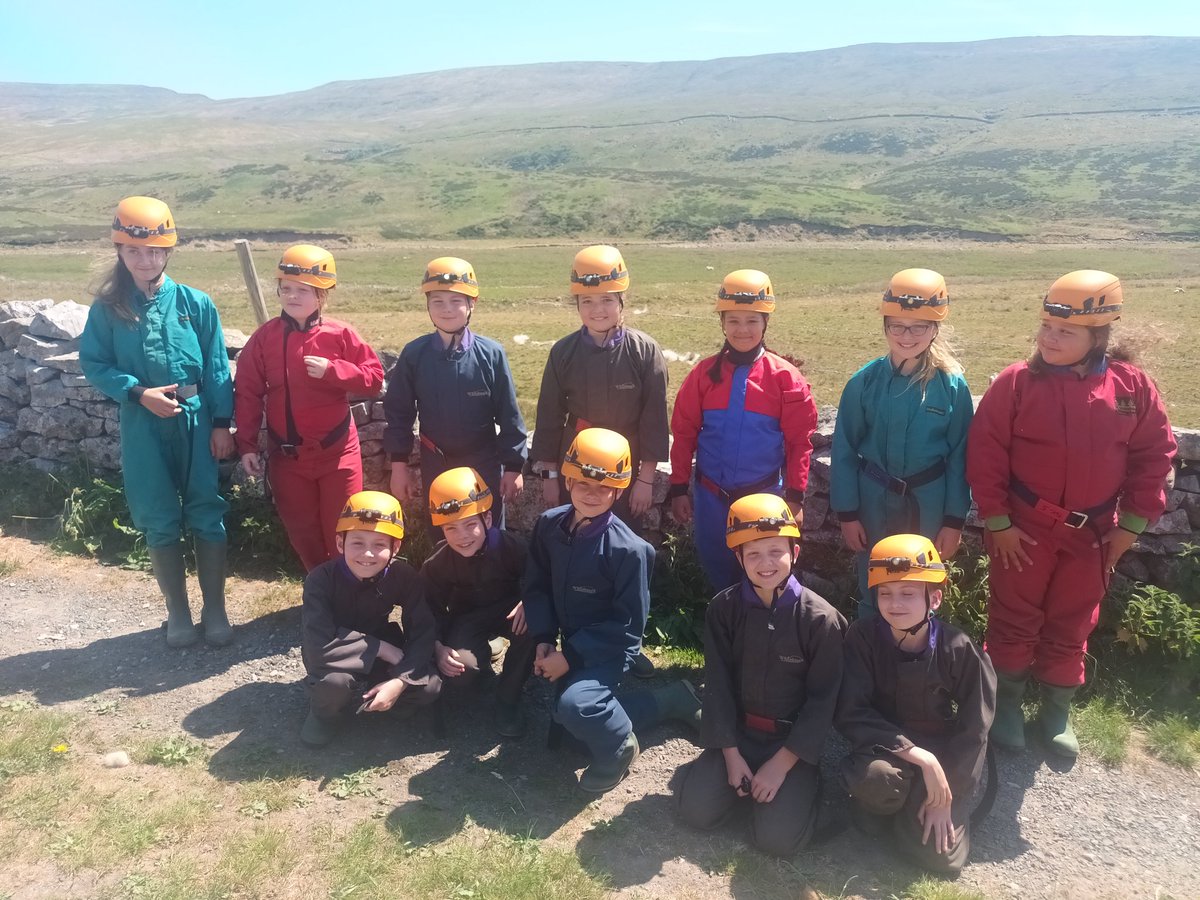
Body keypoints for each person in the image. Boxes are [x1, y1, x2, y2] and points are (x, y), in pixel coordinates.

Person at [966, 270, 1175, 757]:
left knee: (1074, 618)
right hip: (1024, 529)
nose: (1050, 338)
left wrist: (1132, 526)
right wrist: (999, 523)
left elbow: (1154, 455)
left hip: (1096, 533)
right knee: (1014, 616)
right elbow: (986, 453)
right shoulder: (1016, 383)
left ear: (1097, 336)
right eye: (1045, 327)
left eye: (1066, 331)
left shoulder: (1131, 389)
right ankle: (1008, 705)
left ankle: (1057, 711)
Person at [80, 196, 234, 648]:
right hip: (142, 420)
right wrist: (137, 392)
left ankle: (216, 610)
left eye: (153, 251)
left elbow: (217, 367)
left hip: (196, 419)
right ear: (120, 253)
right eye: (132, 251)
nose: (144, 260)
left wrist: (222, 423)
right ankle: (179, 614)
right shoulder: (107, 308)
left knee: (207, 510)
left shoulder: (196, 303)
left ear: (168, 251)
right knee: (158, 516)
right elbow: (94, 363)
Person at [523, 428, 701, 793]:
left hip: (608, 649)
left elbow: (628, 626)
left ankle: (620, 748)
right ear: (569, 479)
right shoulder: (548, 526)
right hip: (569, 642)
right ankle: (670, 700)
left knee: (576, 709)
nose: (592, 494)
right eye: (584, 484)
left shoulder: (631, 551)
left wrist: (569, 656)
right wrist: (543, 637)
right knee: (574, 723)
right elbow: (536, 584)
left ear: (618, 490)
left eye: (604, 487)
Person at [676, 494, 845, 858]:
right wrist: (732, 755)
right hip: (738, 735)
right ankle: (736, 779)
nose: (765, 563)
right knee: (695, 812)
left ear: (794, 553)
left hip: (789, 743)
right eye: (752, 554)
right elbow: (718, 686)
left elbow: (823, 701)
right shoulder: (723, 609)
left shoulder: (821, 620)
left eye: (775, 551)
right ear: (737, 558)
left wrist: (781, 766)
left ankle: (799, 788)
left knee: (776, 841)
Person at [532, 244, 669, 677]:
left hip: (625, 474)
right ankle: (572, 639)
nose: (597, 309)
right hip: (579, 465)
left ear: (623, 301)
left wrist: (645, 480)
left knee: (627, 556)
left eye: (607, 299)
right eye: (587, 301)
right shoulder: (564, 352)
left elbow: (653, 420)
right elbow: (549, 417)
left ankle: (629, 641)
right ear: (576, 304)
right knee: (578, 552)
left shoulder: (645, 352)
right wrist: (552, 474)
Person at [836, 534, 996, 875]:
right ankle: (887, 807)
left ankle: (912, 810)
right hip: (885, 746)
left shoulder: (960, 649)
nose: (895, 604)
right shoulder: (862, 638)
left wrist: (948, 792)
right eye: (885, 593)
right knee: (875, 783)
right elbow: (851, 712)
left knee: (941, 859)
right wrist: (919, 756)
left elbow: (975, 729)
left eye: (908, 593)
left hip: (944, 751)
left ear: (934, 598)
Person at [830, 268, 973, 619]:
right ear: (885, 327)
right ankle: (868, 658)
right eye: (897, 326)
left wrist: (953, 521)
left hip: (928, 503)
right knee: (874, 579)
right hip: (873, 501)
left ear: (935, 329)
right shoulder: (863, 383)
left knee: (922, 584)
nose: (907, 336)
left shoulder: (951, 386)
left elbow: (960, 457)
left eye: (919, 327)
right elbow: (845, 450)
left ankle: (918, 659)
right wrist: (848, 514)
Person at [234, 244, 384, 571]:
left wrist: (334, 371)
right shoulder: (264, 338)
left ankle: (349, 596)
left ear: (322, 294)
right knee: (302, 534)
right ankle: (321, 591)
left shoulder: (341, 334)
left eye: (303, 290)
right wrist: (246, 445)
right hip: (287, 460)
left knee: (345, 530)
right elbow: (247, 391)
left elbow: (374, 379)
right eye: (285, 289)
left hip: (338, 454)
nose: (292, 296)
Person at [669, 269, 818, 593]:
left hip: (764, 497)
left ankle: (766, 629)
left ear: (766, 323)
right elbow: (683, 433)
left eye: (752, 320)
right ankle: (725, 627)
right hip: (711, 498)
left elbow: (799, 443)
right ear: (722, 323)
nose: (742, 329)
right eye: (734, 320)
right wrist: (679, 487)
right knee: (718, 571)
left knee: (763, 572)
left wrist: (794, 496)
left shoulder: (785, 379)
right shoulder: (703, 375)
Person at [384, 257, 526, 529]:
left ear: (472, 304)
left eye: (456, 301)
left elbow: (509, 414)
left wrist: (513, 466)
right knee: (442, 531)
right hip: (436, 463)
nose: (446, 310)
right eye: (437, 301)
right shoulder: (415, 354)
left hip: (483, 462)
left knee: (489, 530)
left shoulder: (491, 354)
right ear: (427, 305)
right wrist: (399, 466)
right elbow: (399, 413)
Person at [299, 490, 441, 747]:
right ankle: (324, 715)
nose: (367, 554)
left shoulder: (404, 575)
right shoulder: (320, 579)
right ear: (340, 543)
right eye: (357, 543)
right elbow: (318, 647)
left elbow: (422, 629)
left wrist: (400, 680)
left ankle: (385, 697)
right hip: (334, 652)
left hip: (380, 641)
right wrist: (381, 648)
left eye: (379, 545)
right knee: (334, 685)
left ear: (395, 547)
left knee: (429, 686)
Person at [419, 466, 538, 738]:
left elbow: (539, 578)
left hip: (513, 612)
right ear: (441, 529)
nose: (462, 537)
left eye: (470, 525)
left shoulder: (514, 547)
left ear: (487, 519)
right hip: (468, 619)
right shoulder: (437, 564)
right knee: (462, 670)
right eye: (451, 528)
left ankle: (508, 699)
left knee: (533, 628)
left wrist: (529, 601)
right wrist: (437, 647)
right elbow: (426, 609)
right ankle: (481, 663)